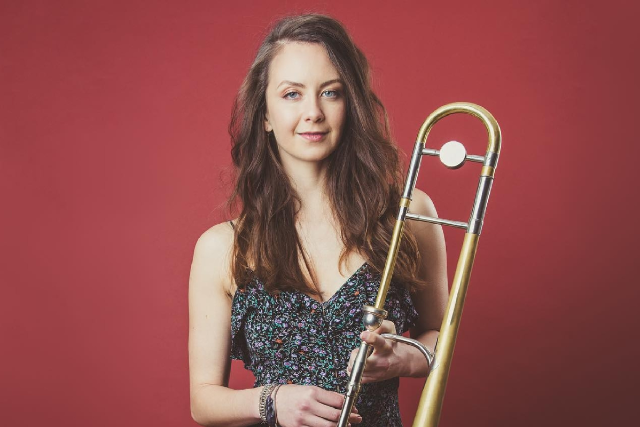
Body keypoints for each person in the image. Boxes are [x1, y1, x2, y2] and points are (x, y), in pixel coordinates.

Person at [188, 14, 448, 427]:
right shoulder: (222, 247)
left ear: (351, 105)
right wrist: (273, 400)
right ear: (265, 115)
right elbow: (202, 401)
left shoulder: (410, 214)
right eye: (292, 94)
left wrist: (407, 357)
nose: (313, 112)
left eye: (330, 92)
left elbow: (439, 335)